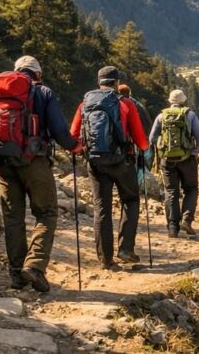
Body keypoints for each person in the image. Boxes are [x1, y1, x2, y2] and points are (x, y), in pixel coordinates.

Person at [0, 55, 79, 291]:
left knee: (13, 217)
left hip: (2, 161)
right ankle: (35, 266)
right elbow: (59, 130)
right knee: (46, 212)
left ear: (16, 71)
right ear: (37, 74)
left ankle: (16, 275)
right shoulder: (43, 93)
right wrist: (75, 146)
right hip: (34, 161)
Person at [69, 65, 149, 268]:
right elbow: (141, 141)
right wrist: (142, 148)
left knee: (101, 208)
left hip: (95, 162)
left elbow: (73, 136)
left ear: (99, 82)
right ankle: (125, 249)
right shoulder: (125, 104)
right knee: (130, 200)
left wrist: (82, 151)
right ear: (116, 83)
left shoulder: (84, 104)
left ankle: (105, 259)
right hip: (122, 161)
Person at [147, 89, 199, 237]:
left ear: (170, 101)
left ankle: (173, 227)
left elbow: (152, 138)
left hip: (167, 161)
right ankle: (186, 220)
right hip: (188, 159)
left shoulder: (162, 116)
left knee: (171, 192)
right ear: (183, 101)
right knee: (191, 189)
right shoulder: (190, 115)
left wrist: (162, 149)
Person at [118, 82, 153, 184]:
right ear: (129, 93)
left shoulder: (116, 104)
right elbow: (146, 122)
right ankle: (138, 183)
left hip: (124, 142)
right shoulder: (137, 105)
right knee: (141, 163)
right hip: (139, 139)